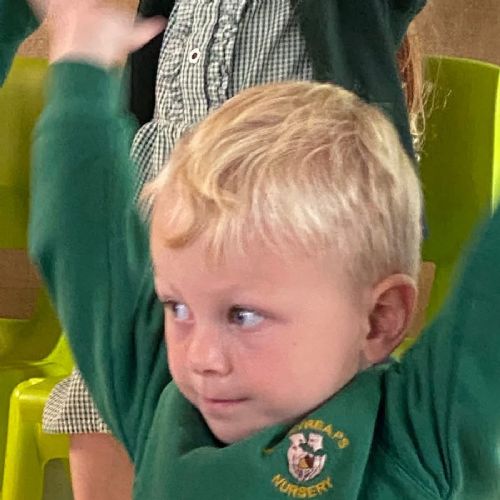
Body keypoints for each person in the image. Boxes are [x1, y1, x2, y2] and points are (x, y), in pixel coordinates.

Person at [28, 2, 500, 498]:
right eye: (178, 307)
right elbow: (82, 240)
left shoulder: (420, 433)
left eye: (244, 316)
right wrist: (81, 64)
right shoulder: (161, 404)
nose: (201, 359)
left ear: (379, 318)